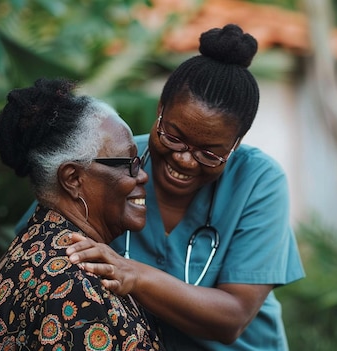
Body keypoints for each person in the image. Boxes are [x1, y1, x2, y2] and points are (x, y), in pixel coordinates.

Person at [64, 24, 305, 350]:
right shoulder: (111, 163)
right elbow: (44, 237)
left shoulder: (259, 181)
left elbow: (232, 318)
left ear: (236, 144)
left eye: (209, 153)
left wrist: (134, 275)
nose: (186, 161)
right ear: (160, 111)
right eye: (173, 137)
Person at [0, 78, 163, 351]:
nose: (142, 175)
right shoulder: (77, 288)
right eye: (128, 163)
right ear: (72, 178)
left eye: (139, 161)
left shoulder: (35, 244)